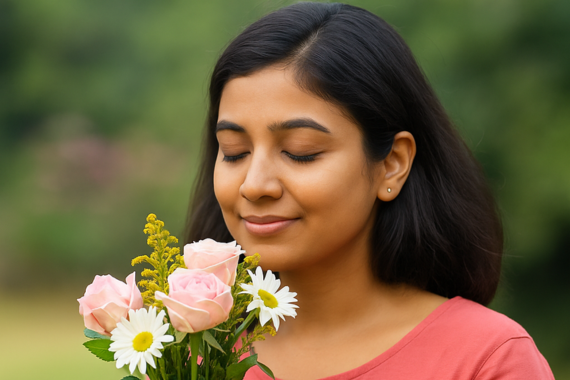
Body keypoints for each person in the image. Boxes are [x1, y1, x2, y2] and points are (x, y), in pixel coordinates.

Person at [184, 2, 555, 379]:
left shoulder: (486, 358)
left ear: (392, 163)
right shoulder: (189, 356)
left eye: (300, 152)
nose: (255, 185)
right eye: (235, 153)